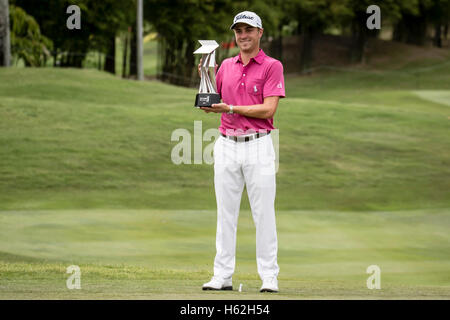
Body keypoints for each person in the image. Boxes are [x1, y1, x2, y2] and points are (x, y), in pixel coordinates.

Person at [199, 11, 285, 293]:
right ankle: (222, 276)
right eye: (238, 30)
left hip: (259, 144)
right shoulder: (225, 65)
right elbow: (215, 103)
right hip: (226, 144)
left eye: (249, 29)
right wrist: (206, 91)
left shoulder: (272, 66)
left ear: (260, 32)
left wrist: (231, 108)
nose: (243, 35)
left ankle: (269, 276)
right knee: (225, 213)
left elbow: (268, 109)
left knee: (263, 214)